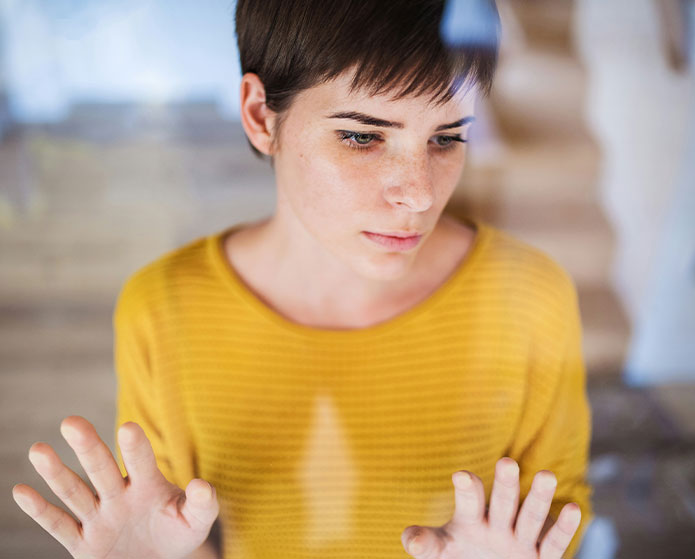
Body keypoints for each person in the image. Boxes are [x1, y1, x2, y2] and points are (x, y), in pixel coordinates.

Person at [11, 1, 594, 558]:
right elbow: (180, 533)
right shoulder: (165, 307)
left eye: (447, 137)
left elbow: (556, 522)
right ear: (261, 116)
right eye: (363, 136)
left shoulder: (532, 296)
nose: (419, 193)